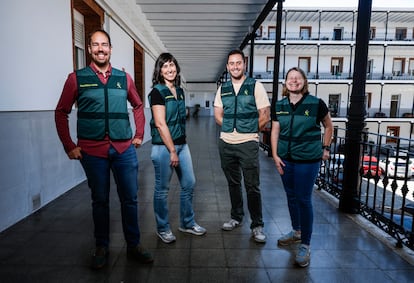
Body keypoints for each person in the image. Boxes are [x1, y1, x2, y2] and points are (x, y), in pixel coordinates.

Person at [55, 29, 153, 269]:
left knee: (129, 199)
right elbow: (61, 112)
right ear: (89, 49)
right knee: (99, 200)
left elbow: (139, 105)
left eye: (104, 44)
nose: (100, 48)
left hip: (123, 150)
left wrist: (139, 134)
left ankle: (134, 245)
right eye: (95, 45)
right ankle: (102, 246)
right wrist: (69, 146)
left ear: (110, 48)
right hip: (92, 151)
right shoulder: (76, 78)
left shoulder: (124, 78)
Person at [270, 67, 333, 267]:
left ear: (304, 82)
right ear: (286, 83)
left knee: (304, 199)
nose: (294, 81)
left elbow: (328, 125)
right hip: (285, 159)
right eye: (290, 78)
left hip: (308, 159)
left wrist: (326, 148)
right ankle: (296, 231)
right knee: (290, 196)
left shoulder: (316, 104)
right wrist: (274, 155)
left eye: (298, 78)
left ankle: (305, 244)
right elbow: (275, 131)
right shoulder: (279, 105)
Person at [148, 52, 206, 244]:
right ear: (159, 70)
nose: (170, 69)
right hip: (164, 148)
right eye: (165, 66)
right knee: (162, 190)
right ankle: (163, 228)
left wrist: (179, 147)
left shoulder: (179, 91)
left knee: (189, 184)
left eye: (172, 65)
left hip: (182, 144)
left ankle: (187, 223)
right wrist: (172, 150)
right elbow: (160, 123)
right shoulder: (157, 92)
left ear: (177, 68)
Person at [214, 49, 270, 243]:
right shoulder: (223, 88)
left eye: (238, 63)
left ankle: (257, 225)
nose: (235, 66)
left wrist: (249, 131)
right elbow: (218, 114)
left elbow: (265, 115)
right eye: (232, 63)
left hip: (248, 143)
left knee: (252, 185)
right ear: (228, 66)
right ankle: (236, 217)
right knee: (233, 183)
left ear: (244, 64)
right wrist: (230, 128)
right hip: (226, 143)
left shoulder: (256, 86)